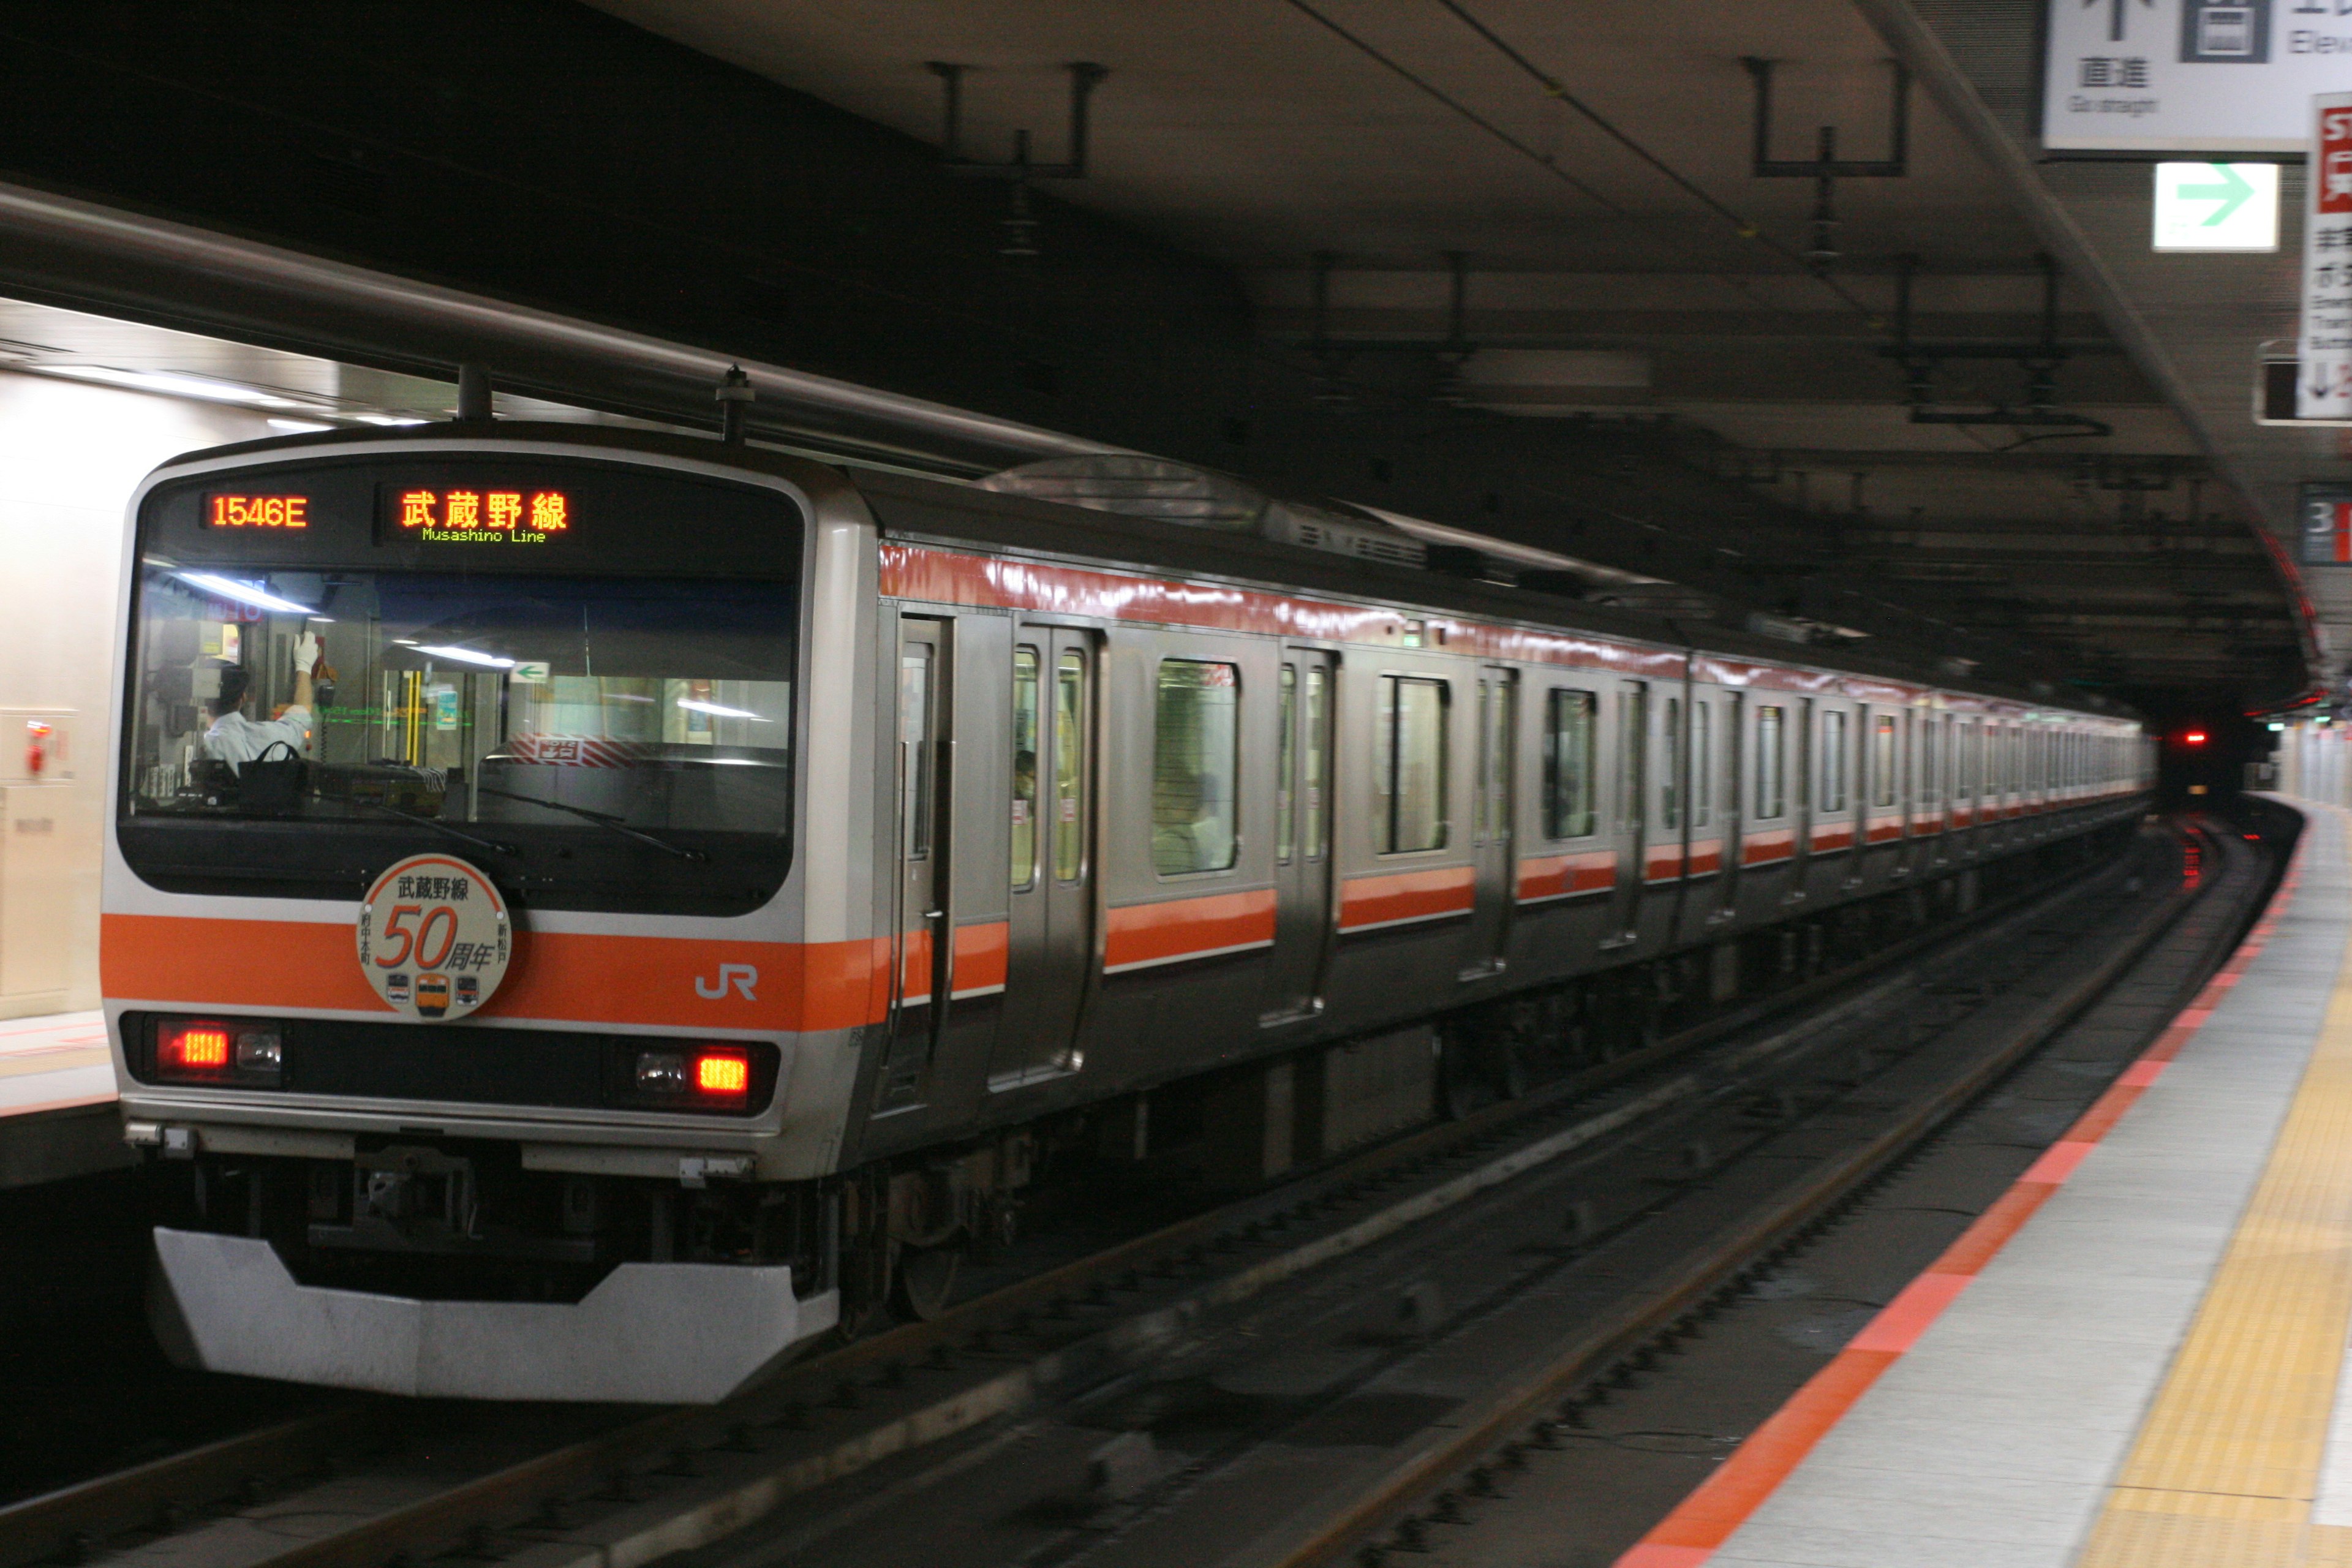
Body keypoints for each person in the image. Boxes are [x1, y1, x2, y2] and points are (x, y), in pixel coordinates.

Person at [203, 630, 320, 770]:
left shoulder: (206, 745)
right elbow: (302, 712)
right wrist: (304, 666)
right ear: (243, 698)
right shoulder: (275, 735)